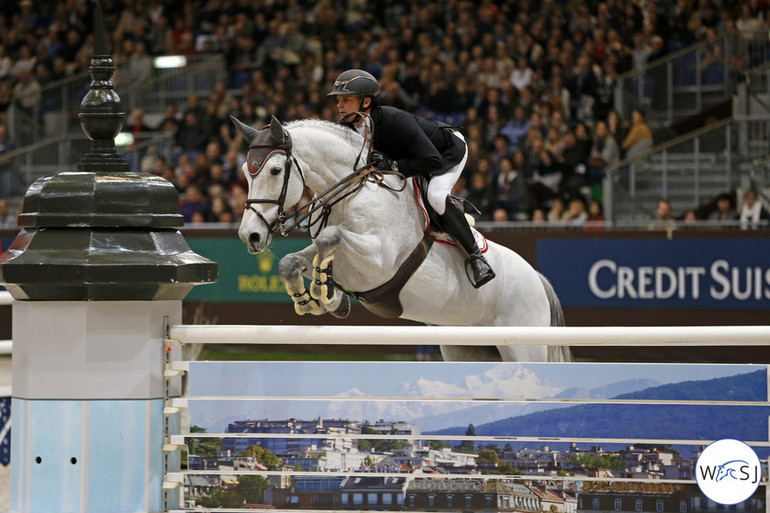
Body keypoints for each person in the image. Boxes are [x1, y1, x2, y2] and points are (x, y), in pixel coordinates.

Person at [328, 69, 494, 288]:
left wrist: (395, 166)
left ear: (366, 101)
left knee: (435, 196)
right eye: (339, 100)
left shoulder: (393, 119)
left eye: (346, 100)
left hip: (445, 152)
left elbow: (431, 160)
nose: (340, 105)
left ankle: (476, 258)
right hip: (410, 158)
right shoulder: (347, 128)